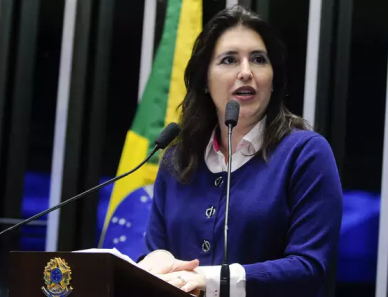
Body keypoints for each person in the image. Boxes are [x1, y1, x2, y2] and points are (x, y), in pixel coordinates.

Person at [137, 5, 343, 297]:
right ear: (205, 80)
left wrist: (209, 279)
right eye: (229, 60)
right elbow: (156, 251)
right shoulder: (177, 159)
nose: (246, 72)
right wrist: (152, 261)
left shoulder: (305, 154)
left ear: (273, 80)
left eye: (258, 59)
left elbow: (309, 267)